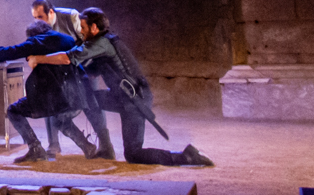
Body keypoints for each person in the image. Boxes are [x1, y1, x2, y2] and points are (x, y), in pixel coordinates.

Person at [28, 8, 212, 167]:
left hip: (134, 99)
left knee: (133, 154)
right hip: (120, 96)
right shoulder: (100, 44)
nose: (80, 32)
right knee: (90, 99)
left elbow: (70, 57)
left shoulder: (102, 43)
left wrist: (40, 59)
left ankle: (184, 156)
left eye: (83, 28)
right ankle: (105, 148)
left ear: (94, 28)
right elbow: (88, 70)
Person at [0, 20, 98, 163]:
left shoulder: (36, 42)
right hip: (76, 95)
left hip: (52, 97)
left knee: (13, 110)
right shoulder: (68, 39)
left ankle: (35, 149)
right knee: (61, 119)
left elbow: (9, 52)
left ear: (32, 34)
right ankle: (87, 146)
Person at [32, 0, 114, 159]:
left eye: (40, 17)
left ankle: (106, 144)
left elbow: (88, 42)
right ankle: (54, 144)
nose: (37, 21)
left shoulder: (71, 17)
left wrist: (84, 65)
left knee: (92, 103)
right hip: (60, 70)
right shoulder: (39, 29)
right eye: (34, 18)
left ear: (50, 12)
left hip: (84, 65)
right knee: (49, 98)